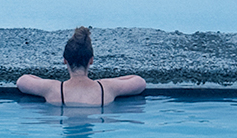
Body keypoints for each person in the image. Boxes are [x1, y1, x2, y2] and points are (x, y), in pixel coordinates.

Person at [16, 26, 146, 107]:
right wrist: (107, 81)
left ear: (65, 61)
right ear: (91, 60)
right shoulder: (106, 88)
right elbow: (139, 81)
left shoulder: (53, 88)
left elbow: (23, 80)